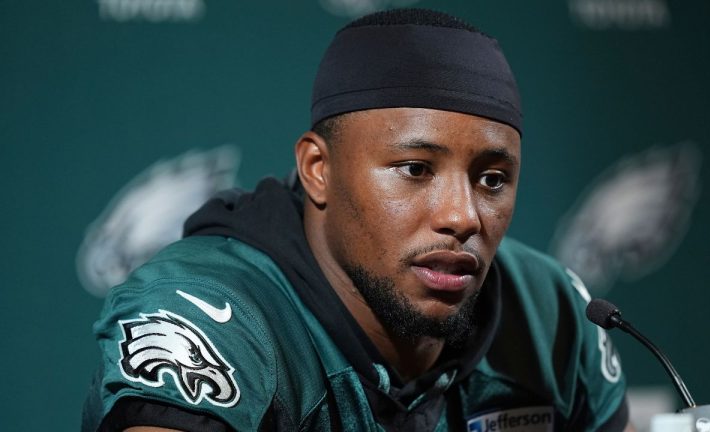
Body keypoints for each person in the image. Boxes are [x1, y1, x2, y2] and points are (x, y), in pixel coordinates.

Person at [82, 8, 631, 432]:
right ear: (319, 170)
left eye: (491, 180)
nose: (462, 216)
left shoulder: (552, 308)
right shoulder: (211, 308)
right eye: (416, 169)